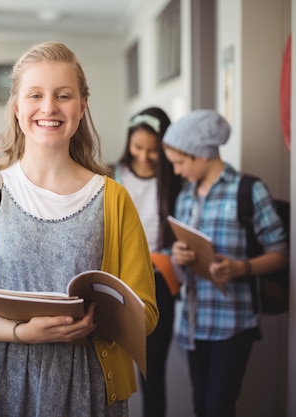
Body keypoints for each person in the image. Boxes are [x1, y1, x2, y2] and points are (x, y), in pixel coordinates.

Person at [0, 41, 159, 417]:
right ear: (16, 107)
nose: (49, 107)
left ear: (81, 107)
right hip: (6, 384)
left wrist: (100, 317)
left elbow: (144, 312)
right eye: (35, 95)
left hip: (91, 384)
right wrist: (21, 332)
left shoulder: (114, 199)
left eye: (63, 95)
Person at [162, 109, 289, 417]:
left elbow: (281, 253)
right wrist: (179, 255)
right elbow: (184, 255)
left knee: (219, 407)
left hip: (232, 323)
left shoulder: (249, 191)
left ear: (201, 154)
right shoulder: (186, 197)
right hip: (194, 324)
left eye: (180, 162)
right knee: (200, 407)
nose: (176, 171)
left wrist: (240, 268)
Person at [114, 107, 182, 417]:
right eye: (138, 147)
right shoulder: (112, 175)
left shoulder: (175, 182)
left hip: (158, 280)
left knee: (152, 373)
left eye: (153, 150)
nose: (144, 156)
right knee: (110, 368)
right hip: (115, 280)